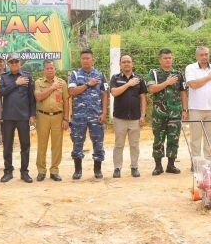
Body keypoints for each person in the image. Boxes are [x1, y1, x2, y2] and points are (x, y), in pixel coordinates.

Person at [68, 49, 108, 180]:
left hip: (96, 115)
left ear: (93, 59)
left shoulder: (100, 75)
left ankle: (97, 170)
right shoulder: (74, 74)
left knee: (98, 142)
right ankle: (77, 170)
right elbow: (72, 92)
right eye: (83, 58)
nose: (85, 60)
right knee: (77, 142)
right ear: (80, 60)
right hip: (79, 116)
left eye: (88, 58)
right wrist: (87, 84)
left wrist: (104, 113)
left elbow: (104, 94)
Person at [147, 48, 187, 176]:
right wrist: (167, 82)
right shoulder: (154, 73)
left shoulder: (178, 74)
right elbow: (152, 89)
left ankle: (171, 165)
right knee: (158, 139)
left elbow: (183, 93)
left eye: (170, 58)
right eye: (165, 58)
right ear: (160, 60)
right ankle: (158, 166)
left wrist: (185, 109)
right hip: (159, 113)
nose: (168, 60)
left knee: (173, 139)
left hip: (175, 112)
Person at [0, 53, 36, 183]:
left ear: (20, 63)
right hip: (8, 117)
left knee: (25, 145)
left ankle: (24, 172)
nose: (14, 64)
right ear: (8, 64)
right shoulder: (4, 77)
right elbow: (1, 92)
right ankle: (8, 171)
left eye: (16, 62)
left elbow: (32, 98)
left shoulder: (27, 76)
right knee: (7, 145)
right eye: (11, 62)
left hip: (23, 117)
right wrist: (16, 83)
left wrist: (32, 115)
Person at [110, 54, 147, 178]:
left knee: (134, 144)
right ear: (120, 64)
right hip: (119, 118)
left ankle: (134, 167)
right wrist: (128, 84)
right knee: (119, 144)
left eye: (128, 62)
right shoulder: (115, 78)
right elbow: (114, 92)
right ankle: (117, 168)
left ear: (133, 64)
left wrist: (143, 115)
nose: (126, 64)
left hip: (135, 118)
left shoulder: (139, 79)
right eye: (124, 62)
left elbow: (143, 98)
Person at [184, 46, 211, 159]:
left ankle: (208, 162)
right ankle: (196, 162)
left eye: (206, 54)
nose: (204, 57)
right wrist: (208, 77)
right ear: (197, 56)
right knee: (195, 137)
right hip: (196, 108)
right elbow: (193, 85)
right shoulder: (190, 68)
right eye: (201, 55)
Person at [34, 60, 69, 182]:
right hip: (42, 116)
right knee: (42, 144)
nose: (50, 70)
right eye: (47, 68)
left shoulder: (62, 83)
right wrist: (52, 88)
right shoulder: (38, 83)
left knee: (57, 145)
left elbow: (66, 101)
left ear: (55, 70)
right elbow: (38, 97)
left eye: (52, 68)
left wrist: (66, 118)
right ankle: (41, 171)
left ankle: (54, 170)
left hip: (58, 117)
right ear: (44, 70)